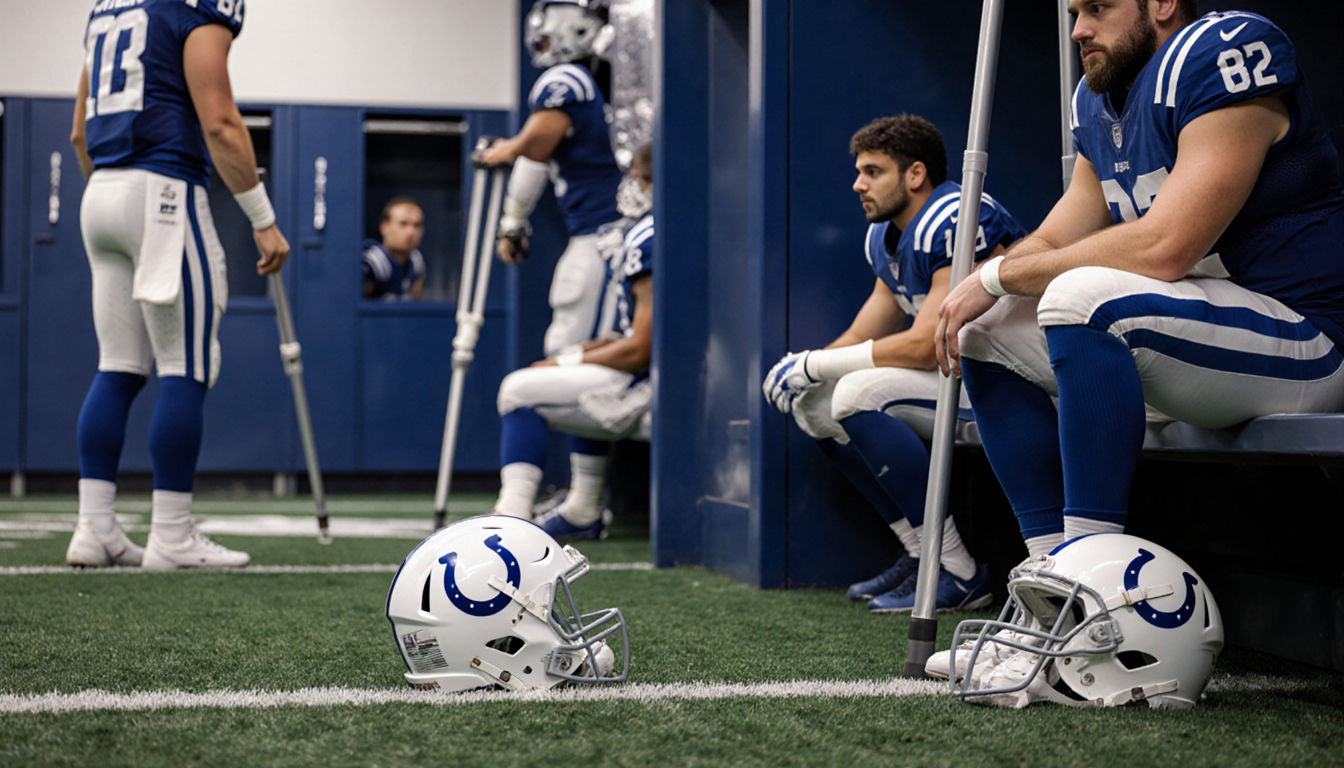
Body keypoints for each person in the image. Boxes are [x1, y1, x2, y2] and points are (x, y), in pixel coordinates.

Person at [931, 2, 1344, 696]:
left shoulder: (1224, 53)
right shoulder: (1097, 98)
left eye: (1097, 7)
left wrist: (998, 271)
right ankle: (1051, 605)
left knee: (1079, 296)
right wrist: (985, 285)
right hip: (1199, 340)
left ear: (1160, 3)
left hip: (1305, 337)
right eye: (1071, 12)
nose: (1077, 30)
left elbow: (1166, 245)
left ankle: (1090, 605)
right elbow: (1061, 235)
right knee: (988, 331)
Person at [762, 116, 1028, 612]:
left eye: (872, 171)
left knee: (853, 392)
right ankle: (923, 552)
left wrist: (817, 364)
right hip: (961, 375)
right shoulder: (888, 234)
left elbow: (927, 344)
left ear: (915, 174)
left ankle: (961, 572)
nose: (857, 183)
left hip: (1013, 381)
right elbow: (864, 333)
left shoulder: (955, 214)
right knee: (817, 403)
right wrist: (805, 368)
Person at [66, 0, 289, 569]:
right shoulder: (194, 5)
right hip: (163, 188)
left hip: (102, 191)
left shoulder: (107, 7)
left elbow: (77, 133)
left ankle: (94, 529)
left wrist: (117, 192)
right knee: (184, 365)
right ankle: (171, 534)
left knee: (116, 366)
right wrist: (263, 220)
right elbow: (218, 121)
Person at [491, 143, 655, 540]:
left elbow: (640, 350)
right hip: (646, 373)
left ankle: (511, 519)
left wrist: (573, 365)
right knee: (569, 368)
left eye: (641, 177)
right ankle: (582, 509)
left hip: (648, 384)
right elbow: (628, 335)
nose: (633, 185)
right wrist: (577, 355)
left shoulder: (649, 237)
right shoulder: (648, 232)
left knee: (516, 391)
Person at [477, 0, 624, 357]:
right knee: (581, 341)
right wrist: (512, 221)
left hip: (600, 234)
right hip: (606, 230)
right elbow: (538, 158)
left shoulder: (566, 80)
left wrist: (507, 149)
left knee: (569, 345)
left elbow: (536, 144)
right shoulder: (601, 81)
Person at [362, 197, 425, 301]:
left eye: (416, 225)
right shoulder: (373, 263)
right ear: (384, 227)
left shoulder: (416, 262)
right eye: (403, 224)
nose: (411, 232)